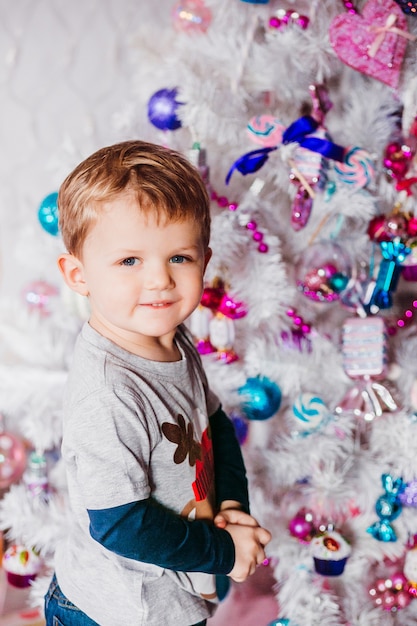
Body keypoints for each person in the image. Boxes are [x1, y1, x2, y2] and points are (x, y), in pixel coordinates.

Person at [44, 140, 271, 626]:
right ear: (78, 274)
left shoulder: (170, 336)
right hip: (120, 608)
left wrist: (232, 503)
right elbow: (121, 524)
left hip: (171, 595)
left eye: (179, 258)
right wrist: (225, 551)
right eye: (130, 261)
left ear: (204, 261)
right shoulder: (108, 393)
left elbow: (213, 425)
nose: (159, 281)